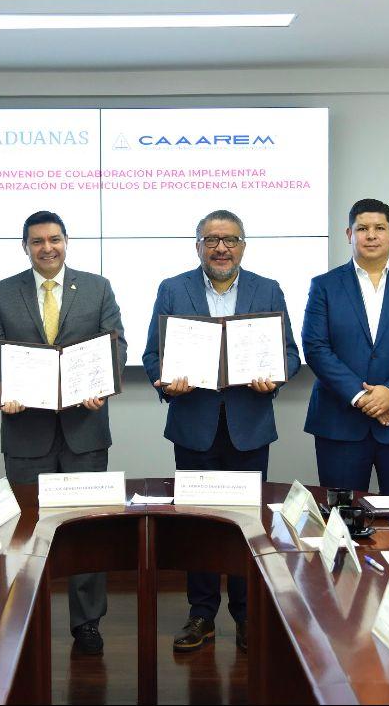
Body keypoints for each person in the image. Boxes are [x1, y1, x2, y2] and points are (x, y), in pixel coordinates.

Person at [142, 209, 301, 654]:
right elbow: (153, 356)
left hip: (249, 427)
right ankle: (202, 614)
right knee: (199, 525)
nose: (221, 248)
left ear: (243, 246)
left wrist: (275, 377)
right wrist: (166, 384)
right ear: (198, 246)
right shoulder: (173, 289)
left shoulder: (267, 289)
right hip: (194, 426)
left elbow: (290, 353)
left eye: (229, 240)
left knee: (248, 525)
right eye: (211, 240)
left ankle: (247, 614)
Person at [0, 210, 127, 655]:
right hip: (26, 431)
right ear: (25, 247)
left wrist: (102, 384)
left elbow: (115, 345)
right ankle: (27, 617)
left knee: (86, 530)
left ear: (66, 241)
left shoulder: (97, 288)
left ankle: (87, 624)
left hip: (85, 430)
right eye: (38, 241)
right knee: (26, 531)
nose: (47, 248)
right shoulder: (1, 293)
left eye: (54, 239)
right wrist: (2, 391)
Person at [302, 199, 389, 495]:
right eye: (362, 228)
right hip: (340, 423)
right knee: (342, 516)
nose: (371, 235)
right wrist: (361, 397)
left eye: (380, 228)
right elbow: (316, 347)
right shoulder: (324, 285)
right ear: (349, 234)